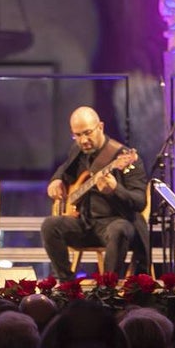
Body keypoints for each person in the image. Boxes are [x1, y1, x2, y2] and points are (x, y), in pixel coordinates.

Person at [41, 106, 148, 280]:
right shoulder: (78, 151)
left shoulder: (124, 157)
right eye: (77, 135)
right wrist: (56, 179)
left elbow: (139, 201)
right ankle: (67, 284)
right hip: (85, 224)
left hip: (115, 224)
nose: (83, 140)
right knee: (50, 225)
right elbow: (64, 168)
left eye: (87, 133)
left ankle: (108, 287)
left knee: (119, 229)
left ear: (101, 127)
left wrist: (115, 190)